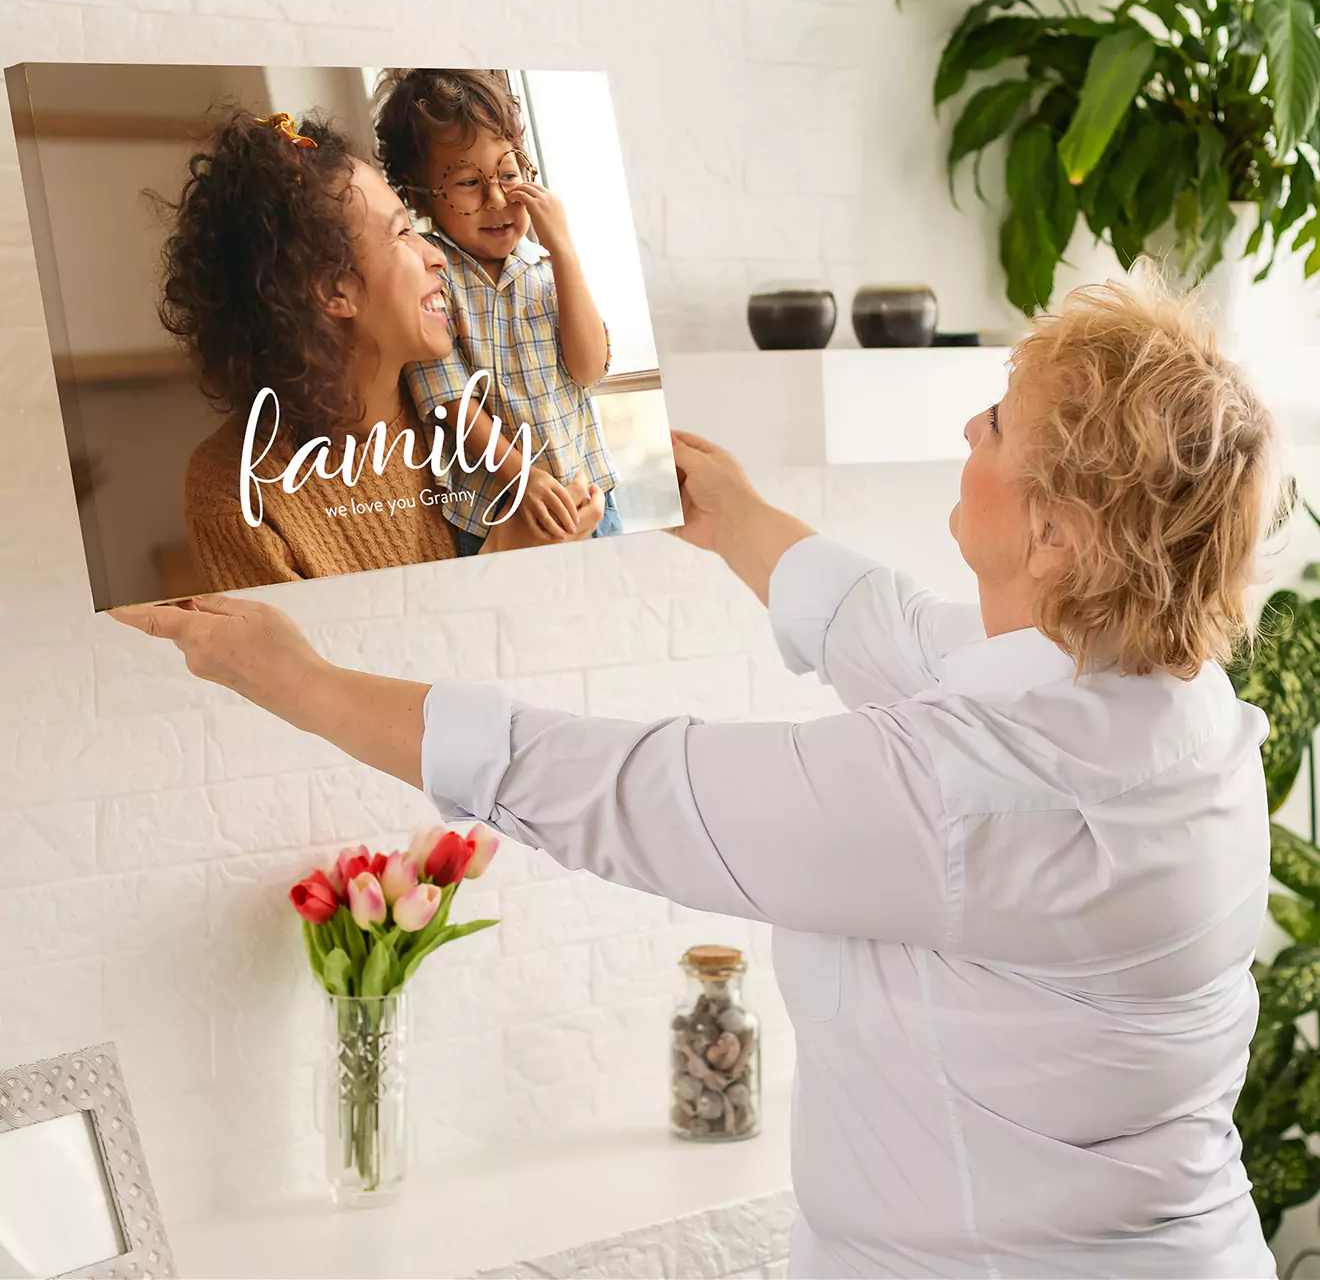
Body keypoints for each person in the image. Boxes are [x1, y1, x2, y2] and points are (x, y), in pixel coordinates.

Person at [114, 276, 1285, 1278]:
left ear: (1055, 538)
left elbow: (626, 787)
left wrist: (301, 684)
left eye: (995, 421)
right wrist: (734, 520)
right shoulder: (1176, 707)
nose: (967, 435)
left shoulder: (973, 795)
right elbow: (904, 637)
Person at [166, 110, 604, 593]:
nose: (435, 254)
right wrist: (504, 557)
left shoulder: (477, 414)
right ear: (335, 290)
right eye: (401, 233)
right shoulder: (236, 495)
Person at [374, 68, 622, 555]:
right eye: (468, 182)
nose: (497, 199)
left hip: (591, 497)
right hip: (492, 513)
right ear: (419, 193)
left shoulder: (548, 268)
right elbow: (448, 399)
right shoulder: (431, 274)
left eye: (509, 175)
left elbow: (589, 369)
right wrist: (523, 478)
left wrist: (565, 252)